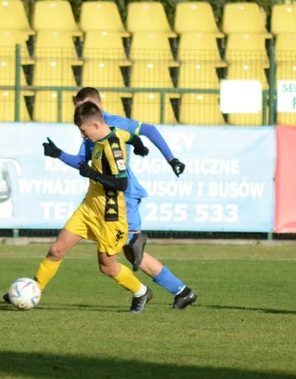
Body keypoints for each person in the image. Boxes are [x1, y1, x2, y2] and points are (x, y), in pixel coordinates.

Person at [42, 86, 197, 309]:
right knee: (129, 252)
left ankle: (136, 243)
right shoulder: (88, 130)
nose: (81, 110)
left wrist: (171, 159)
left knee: (127, 248)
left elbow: (149, 130)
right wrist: (58, 154)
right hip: (109, 197)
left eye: (85, 106)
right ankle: (182, 290)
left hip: (124, 195)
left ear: (98, 107)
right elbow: (82, 163)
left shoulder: (109, 123)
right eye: (78, 107)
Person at [8, 101, 154, 312]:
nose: (82, 136)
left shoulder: (112, 147)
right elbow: (130, 136)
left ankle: (141, 292)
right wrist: (139, 145)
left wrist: (92, 174)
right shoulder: (114, 132)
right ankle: (30, 291)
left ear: (95, 125)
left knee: (107, 267)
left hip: (109, 215)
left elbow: (122, 184)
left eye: (83, 131)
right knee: (56, 250)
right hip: (88, 208)